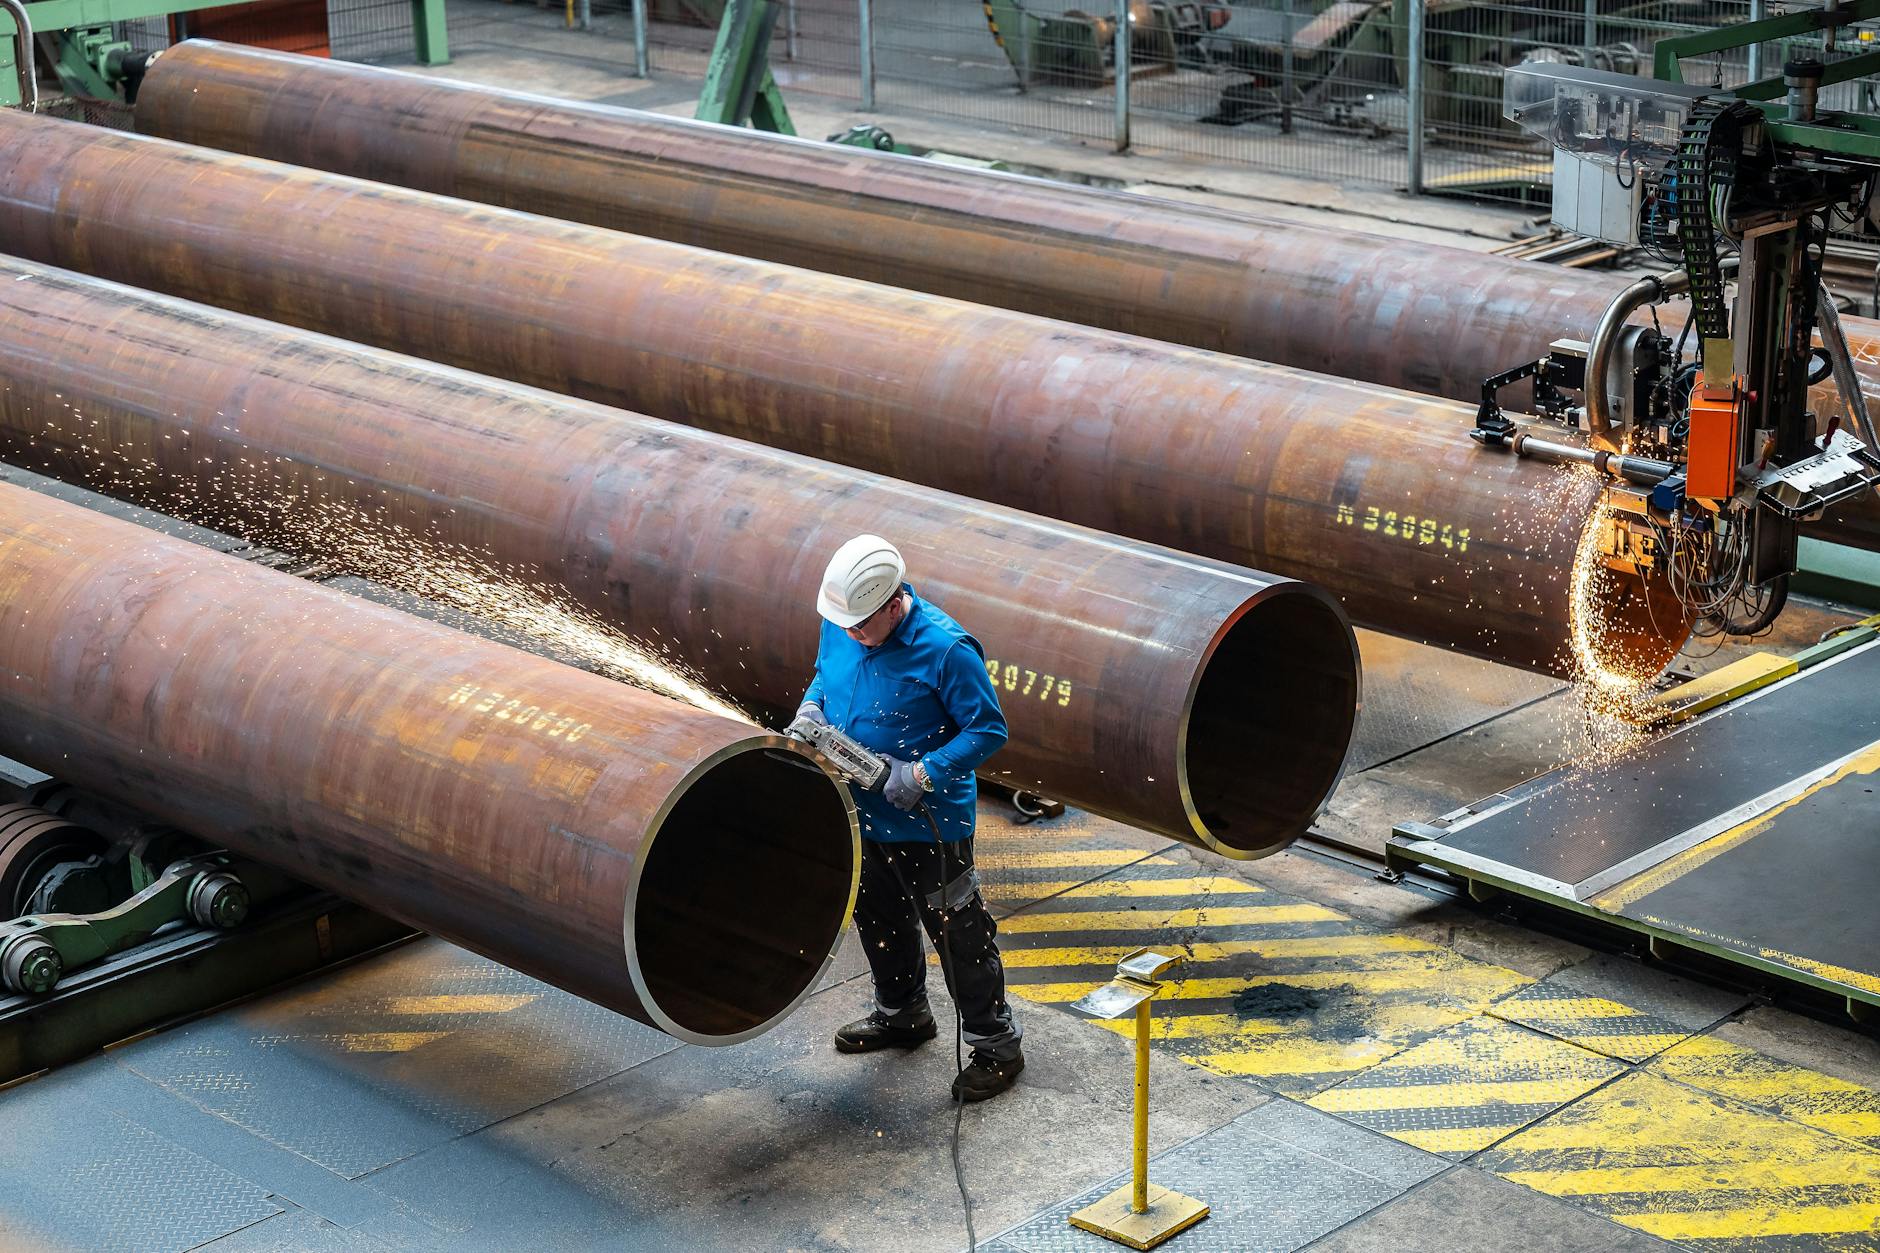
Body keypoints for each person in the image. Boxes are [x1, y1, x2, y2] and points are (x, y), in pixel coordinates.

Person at [789, 534, 1023, 1101]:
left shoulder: (946, 650)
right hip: (859, 810)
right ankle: (903, 1015)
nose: (851, 635)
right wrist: (812, 705)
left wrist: (921, 774)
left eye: (862, 627)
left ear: (894, 604)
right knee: (880, 919)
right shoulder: (843, 621)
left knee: (959, 935)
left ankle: (996, 1047)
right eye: (845, 626)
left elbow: (988, 729)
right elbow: (826, 671)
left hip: (930, 826)